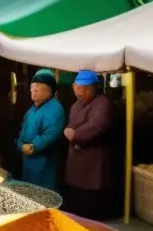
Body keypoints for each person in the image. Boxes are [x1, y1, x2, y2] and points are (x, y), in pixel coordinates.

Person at [64, 70, 116, 218]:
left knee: (93, 190)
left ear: (95, 88)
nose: (81, 92)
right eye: (78, 88)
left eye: (86, 89)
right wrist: (71, 133)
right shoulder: (75, 106)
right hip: (76, 153)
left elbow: (97, 125)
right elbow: (71, 125)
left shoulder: (103, 103)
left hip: (94, 155)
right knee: (76, 191)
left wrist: (76, 135)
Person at [16, 69, 66, 191]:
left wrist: (34, 146)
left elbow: (52, 134)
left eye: (38, 86)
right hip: (27, 162)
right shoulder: (32, 109)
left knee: (43, 195)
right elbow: (21, 131)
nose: (33, 89)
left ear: (49, 89)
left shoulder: (55, 108)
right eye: (32, 86)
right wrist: (20, 145)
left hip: (44, 163)